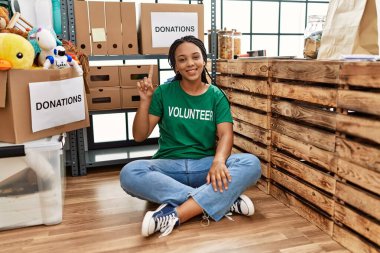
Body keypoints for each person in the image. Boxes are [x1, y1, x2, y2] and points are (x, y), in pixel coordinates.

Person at [120, 35, 261, 237]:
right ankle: (222, 200)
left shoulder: (215, 95)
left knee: (251, 163)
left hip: (206, 167)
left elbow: (226, 134)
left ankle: (178, 213)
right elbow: (139, 135)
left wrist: (219, 161)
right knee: (130, 172)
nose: (190, 64)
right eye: (182, 59)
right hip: (169, 167)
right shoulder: (163, 93)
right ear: (175, 66)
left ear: (204, 60)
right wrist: (144, 101)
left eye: (195, 57)